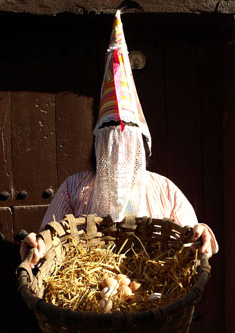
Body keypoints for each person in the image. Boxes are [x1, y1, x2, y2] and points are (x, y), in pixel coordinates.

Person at [20, 10, 218, 268]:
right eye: (110, 140)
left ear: (140, 146)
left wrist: (201, 231)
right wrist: (38, 244)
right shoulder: (73, 189)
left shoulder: (164, 191)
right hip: (90, 299)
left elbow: (194, 237)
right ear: (98, 146)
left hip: (152, 297)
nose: (118, 151)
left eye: (127, 142)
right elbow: (50, 240)